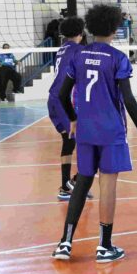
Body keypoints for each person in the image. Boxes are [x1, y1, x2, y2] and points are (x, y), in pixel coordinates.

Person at [51, 4, 137, 263]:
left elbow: (62, 94)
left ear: (90, 27)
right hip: (111, 131)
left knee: (82, 183)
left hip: (85, 130)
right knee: (107, 187)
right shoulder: (118, 58)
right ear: (116, 28)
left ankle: (65, 243)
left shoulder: (78, 56)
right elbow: (128, 99)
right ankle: (104, 247)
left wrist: (73, 119)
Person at [49, 16, 86, 201]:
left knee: (69, 141)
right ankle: (77, 182)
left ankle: (66, 185)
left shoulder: (62, 48)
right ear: (81, 32)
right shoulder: (79, 50)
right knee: (85, 141)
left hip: (53, 99)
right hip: (65, 100)